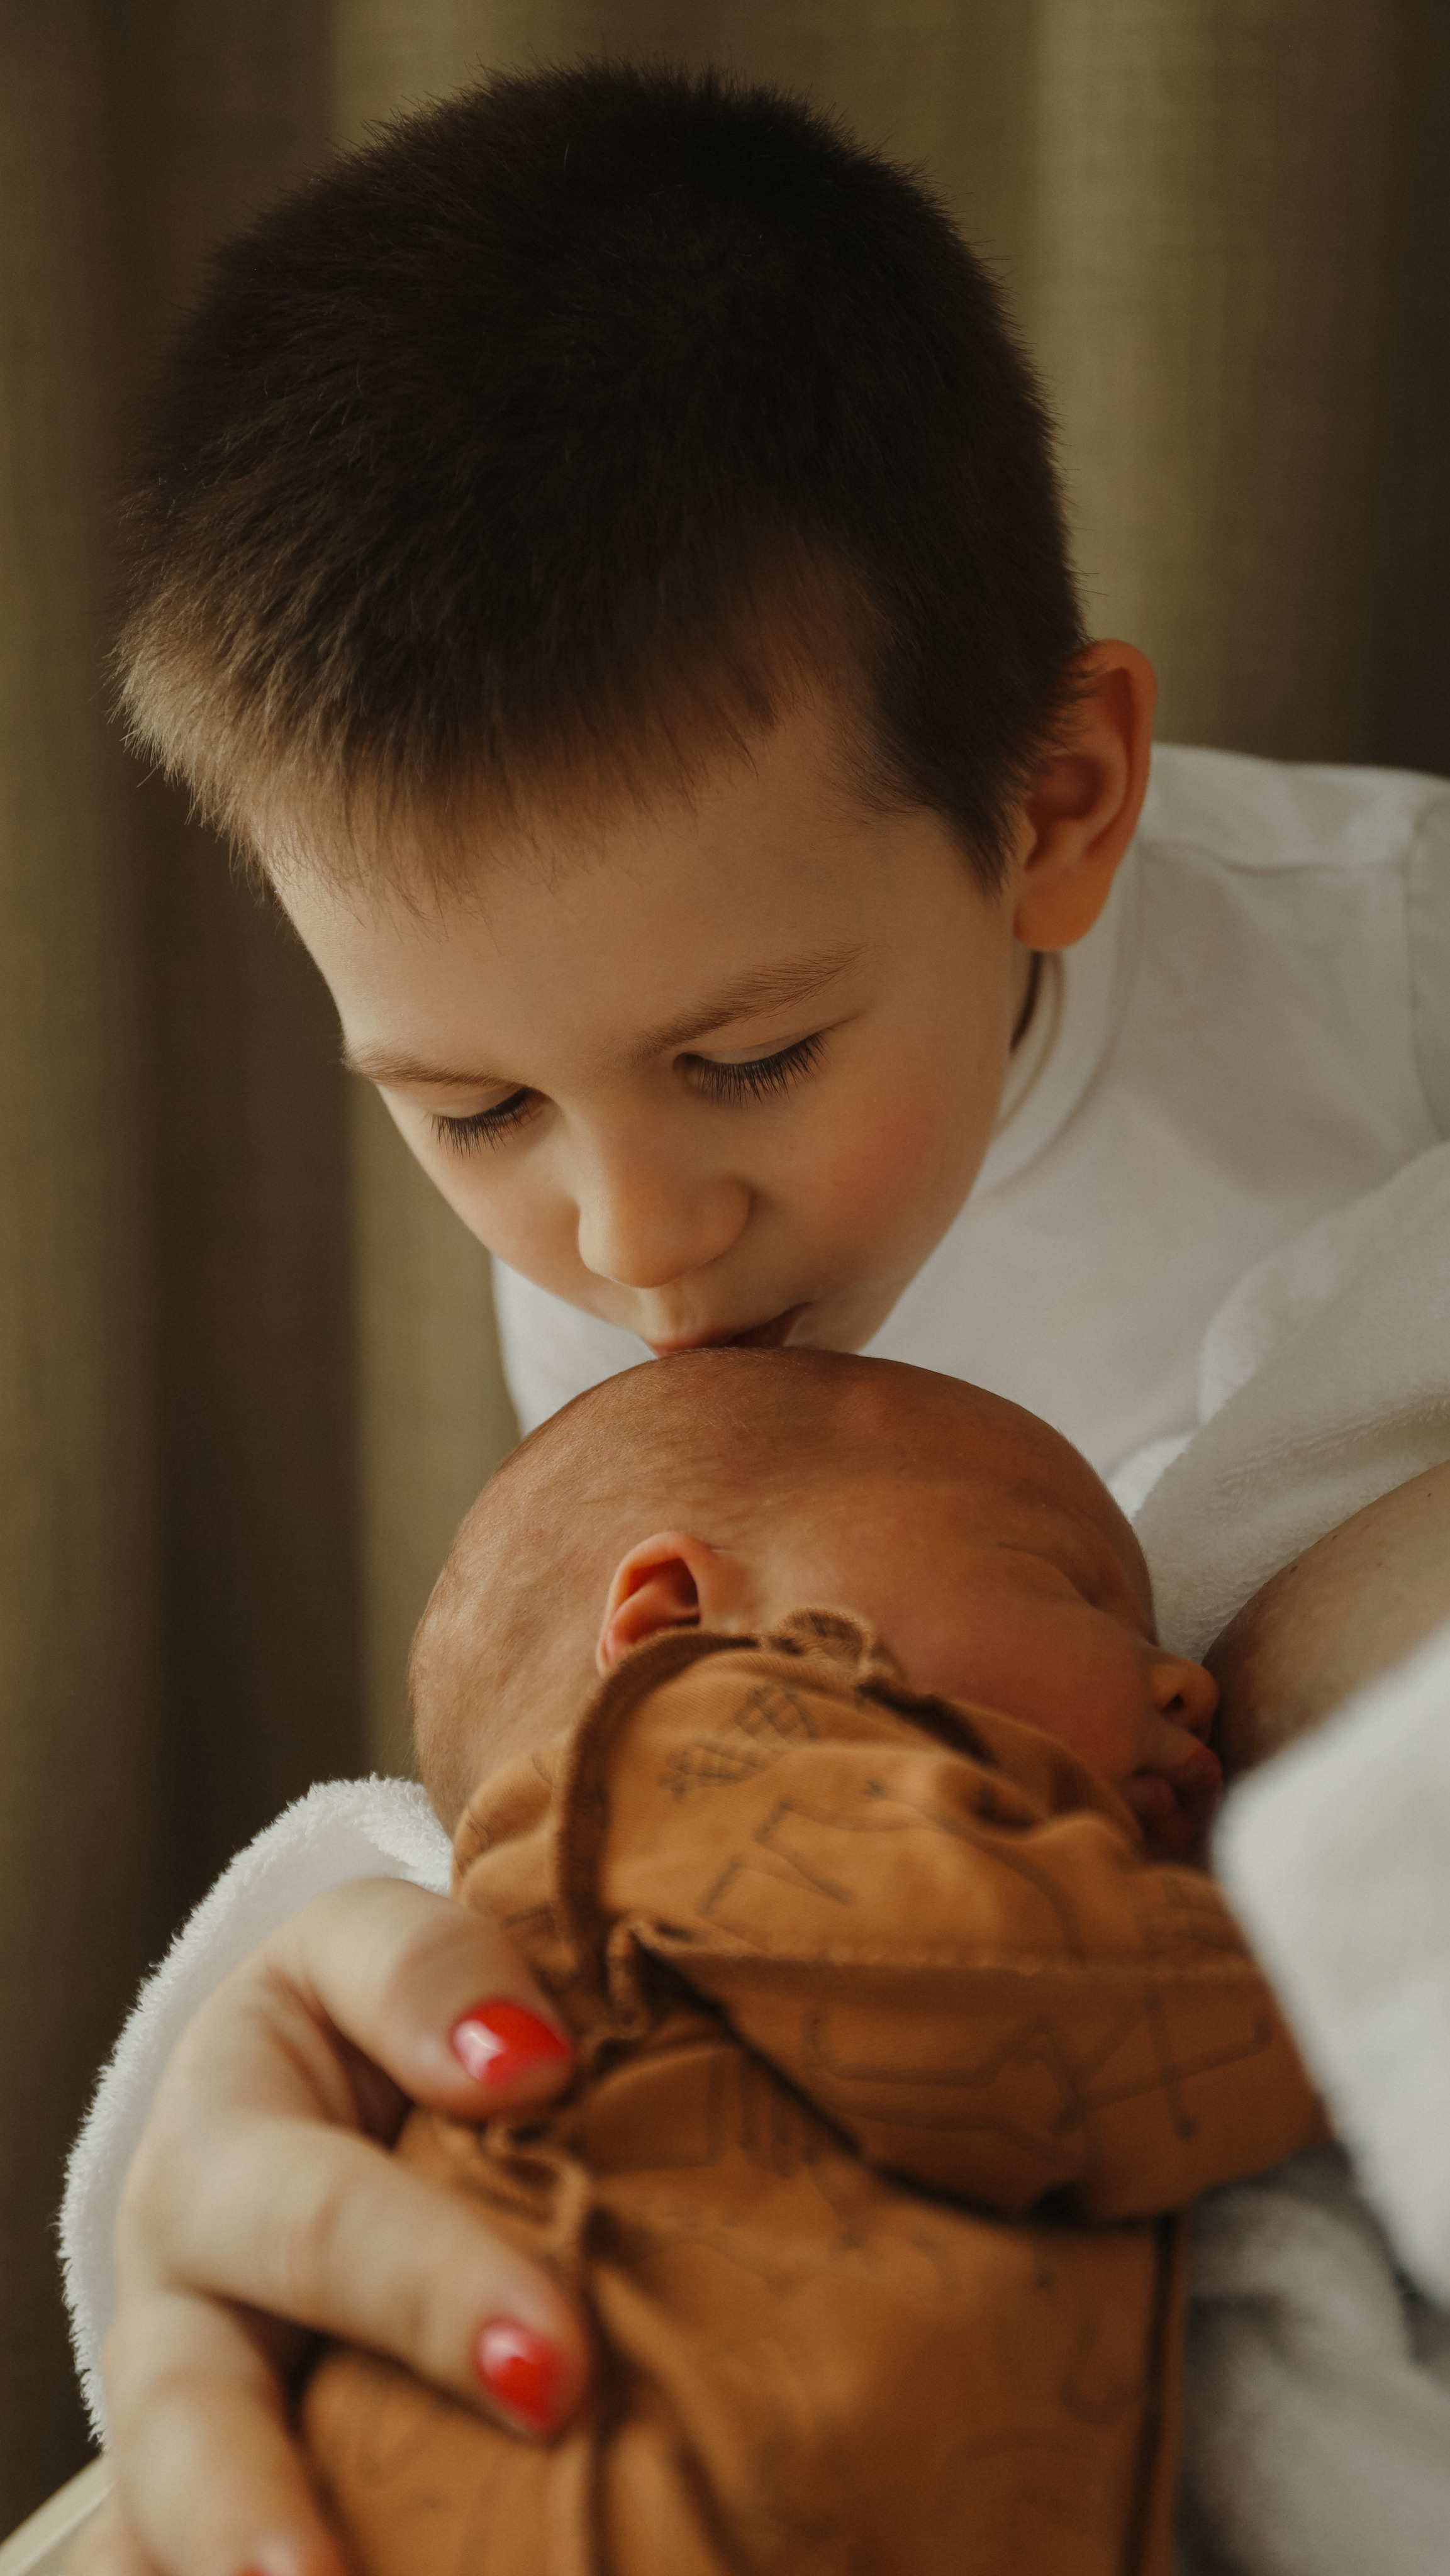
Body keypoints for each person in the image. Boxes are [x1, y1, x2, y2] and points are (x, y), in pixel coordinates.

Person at [83, 57, 1447, 2576]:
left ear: (1055, 806)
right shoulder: (640, 1297)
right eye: (471, 1108)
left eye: (743, 1058)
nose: (627, 1241)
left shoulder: (1404, 985)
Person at [310, 1348, 1319, 2576]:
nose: (1187, 1681)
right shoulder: (681, 1755)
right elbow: (1055, 1996)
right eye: (1063, 1584)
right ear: (673, 1617)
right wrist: (1362, 1938)